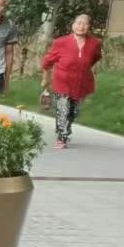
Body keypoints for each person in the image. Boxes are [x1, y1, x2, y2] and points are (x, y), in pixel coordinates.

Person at [40, 14, 103, 149]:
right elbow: (47, 61)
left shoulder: (95, 43)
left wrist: (83, 66)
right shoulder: (61, 42)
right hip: (62, 81)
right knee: (63, 108)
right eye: (78, 23)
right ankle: (62, 137)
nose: (81, 26)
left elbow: (95, 57)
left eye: (85, 24)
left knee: (74, 111)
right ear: (73, 25)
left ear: (89, 27)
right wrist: (45, 77)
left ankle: (66, 129)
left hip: (81, 82)